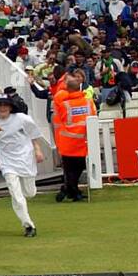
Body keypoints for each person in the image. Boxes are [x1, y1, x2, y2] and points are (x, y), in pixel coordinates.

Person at [0, 93, 47, 237]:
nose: (3, 108)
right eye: (0, 105)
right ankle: (28, 225)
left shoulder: (22, 119)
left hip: (25, 159)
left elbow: (34, 134)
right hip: (7, 162)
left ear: (10, 106)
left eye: (5, 105)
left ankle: (23, 199)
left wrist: (37, 150)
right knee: (16, 194)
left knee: (29, 193)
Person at [52, 68, 93, 202]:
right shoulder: (88, 102)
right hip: (83, 140)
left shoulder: (63, 103)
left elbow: (60, 117)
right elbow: (93, 117)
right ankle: (71, 190)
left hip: (67, 140)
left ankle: (70, 189)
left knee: (69, 169)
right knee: (79, 168)